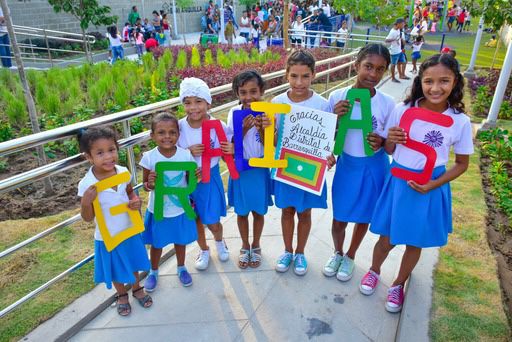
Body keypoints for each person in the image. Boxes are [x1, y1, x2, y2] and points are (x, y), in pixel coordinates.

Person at [360, 53, 473, 313]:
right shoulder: (403, 110)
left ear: (455, 82)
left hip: (428, 187)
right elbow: (389, 150)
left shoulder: (460, 121)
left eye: (444, 81)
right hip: (399, 182)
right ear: (420, 81)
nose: (435, 88)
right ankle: (374, 270)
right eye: (429, 81)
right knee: (386, 238)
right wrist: (392, 139)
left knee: (414, 241)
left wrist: (434, 185)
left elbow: (462, 164)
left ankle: (398, 283)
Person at [324, 44, 395, 281]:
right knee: (339, 217)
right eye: (368, 67)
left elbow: (389, 145)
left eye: (380, 69)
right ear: (356, 65)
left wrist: (382, 140)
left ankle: (350, 256)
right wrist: (334, 119)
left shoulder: (387, 103)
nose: (373, 74)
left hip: (374, 167)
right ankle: (337, 252)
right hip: (347, 167)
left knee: (363, 216)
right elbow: (327, 136)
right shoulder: (338, 96)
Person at [77, 127, 152, 316]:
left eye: (111, 150)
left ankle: (136, 288)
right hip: (108, 235)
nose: (108, 157)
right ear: (89, 157)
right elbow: (87, 218)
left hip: (128, 229)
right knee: (116, 266)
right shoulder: (87, 184)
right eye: (100, 153)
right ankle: (121, 294)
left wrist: (134, 201)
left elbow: (129, 193)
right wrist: (86, 202)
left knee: (132, 261)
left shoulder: (123, 171)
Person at [271, 50, 329, 276]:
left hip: (310, 169)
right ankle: (287, 250)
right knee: (287, 211)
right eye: (294, 76)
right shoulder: (277, 103)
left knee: (304, 212)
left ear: (313, 75)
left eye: (305, 76)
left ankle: (301, 252)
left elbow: (326, 140)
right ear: (286, 75)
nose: (299, 82)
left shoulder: (322, 105)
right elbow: (274, 141)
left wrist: (328, 155)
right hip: (286, 166)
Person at [177, 78, 233, 271]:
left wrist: (230, 150)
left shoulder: (219, 126)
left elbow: (227, 155)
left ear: (208, 103)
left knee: (213, 220)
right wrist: (188, 153)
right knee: (195, 219)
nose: (193, 107)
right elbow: (170, 153)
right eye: (187, 102)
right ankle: (204, 249)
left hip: (210, 179)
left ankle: (219, 241)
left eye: (198, 101)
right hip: (187, 180)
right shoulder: (179, 127)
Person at [140, 113, 198, 290]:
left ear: (178, 134)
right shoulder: (149, 157)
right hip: (158, 210)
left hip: (179, 209)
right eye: (161, 132)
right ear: (153, 136)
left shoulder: (185, 155)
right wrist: (149, 182)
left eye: (172, 132)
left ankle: (181, 267)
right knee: (157, 243)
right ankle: (154, 271)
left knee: (180, 241)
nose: (167, 137)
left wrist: (197, 177)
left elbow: (190, 182)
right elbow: (145, 186)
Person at [227, 70, 273, 269]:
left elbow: (269, 145)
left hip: (259, 170)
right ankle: (245, 245)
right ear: (237, 93)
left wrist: (263, 128)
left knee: (258, 211)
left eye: (253, 91)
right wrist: (243, 129)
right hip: (240, 169)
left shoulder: (268, 113)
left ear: (261, 90)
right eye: (243, 92)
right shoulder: (233, 113)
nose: (248, 97)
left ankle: (257, 244)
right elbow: (231, 144)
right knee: (242, 211)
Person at [386, 18, 408, 83]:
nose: (403, 25)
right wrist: (394, 39)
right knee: (393, 64)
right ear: (398, 24)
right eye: (403, 24)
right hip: (394, 51)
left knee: (404, 62)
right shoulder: (392, 31)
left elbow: (400, 39)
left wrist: (402, 43)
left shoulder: (399, 30)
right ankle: (393, 78)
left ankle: (402, 75)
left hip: (400, 50)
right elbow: (386, 40)